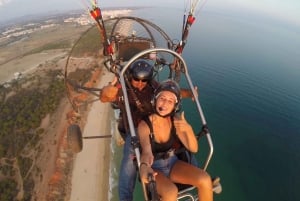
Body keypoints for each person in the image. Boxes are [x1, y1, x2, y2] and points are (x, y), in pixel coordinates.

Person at [100, 59, 196, 201]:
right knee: (129, 158)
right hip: (135, 131)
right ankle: (125, 198)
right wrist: (110, 87)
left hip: (155, 124)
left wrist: (190, 93)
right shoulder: (123, 92)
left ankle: (195, 176)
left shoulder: (153, 88)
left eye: (144, 81)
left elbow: (170, 93)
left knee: (182, 144)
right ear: (131, 77)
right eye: (136, 79)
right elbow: (105, 97)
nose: (140, 83)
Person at [138, 80, 213, 201]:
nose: (165, 104)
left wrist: (188, 129)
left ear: (175, 106)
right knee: (170, 191)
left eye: (170, 101)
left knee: (205, 179)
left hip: (173, 163)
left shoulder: (175, 120)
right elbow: (146, 152)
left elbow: (194, 148)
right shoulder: (144, 125)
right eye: (162, 98)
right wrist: (144, 167)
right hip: (154, 168)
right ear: (155, 100)